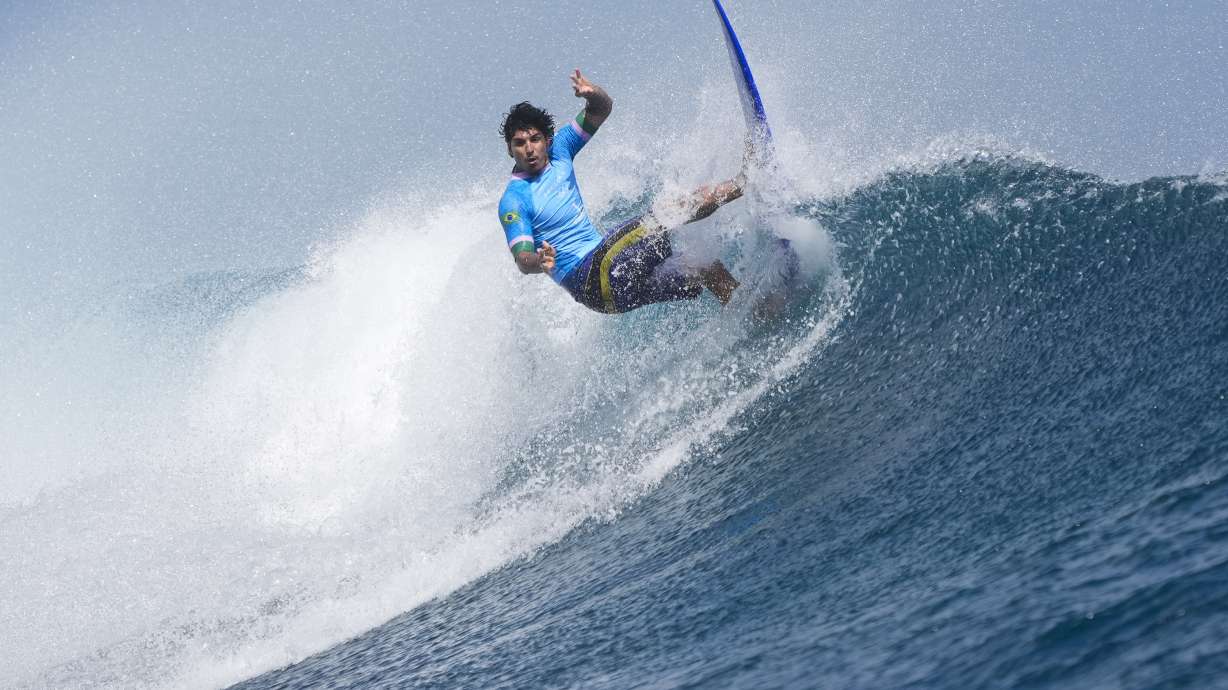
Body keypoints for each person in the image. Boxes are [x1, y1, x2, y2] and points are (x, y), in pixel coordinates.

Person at [497, 69, 744, 314]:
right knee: (666, 213)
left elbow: (601, 108)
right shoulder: (514, 200)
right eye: (519, 143)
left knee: (703, 266)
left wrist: (592, 93)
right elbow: (522, 259)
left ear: (547, 140)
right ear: (510, 149)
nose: (529, 149)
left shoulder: (560, 150)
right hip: (589, 277)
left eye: (534, 139)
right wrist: (539, 261)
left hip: (614, 292)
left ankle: (751, 311)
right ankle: (745, 181)